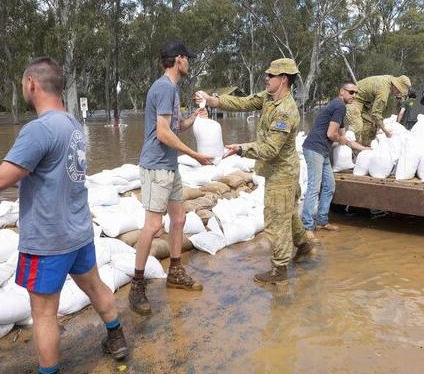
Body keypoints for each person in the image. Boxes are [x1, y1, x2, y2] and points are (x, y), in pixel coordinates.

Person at [0, 57, 127, 374]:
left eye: (23, 84)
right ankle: (116, 338)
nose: (23, 88)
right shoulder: (71, 125)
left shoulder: (39, 129)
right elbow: (44, 171)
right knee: (95, 287)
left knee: (44, 313)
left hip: (47, 240)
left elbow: (0, 179)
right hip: (77, 232)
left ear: (32, 83)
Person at [196, 58, 316, 285]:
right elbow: (243, 103)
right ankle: (304, 244)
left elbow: (270, 149)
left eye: (271, 76)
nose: (266, 78)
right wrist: (212, 101)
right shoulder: (268, 98)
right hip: (277, 170)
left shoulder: (286, 111)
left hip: (283, 172)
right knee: (287, 212)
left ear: (283, 79)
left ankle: (279, 271)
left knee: (275, 219)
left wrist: (241, 149)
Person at [129, 40, 213, 315]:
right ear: (178, 59)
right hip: (156, 166)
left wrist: (194, 116)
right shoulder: (164, 88)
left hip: (169, 165)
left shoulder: (172, 90)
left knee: (178, 219)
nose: (189, 62)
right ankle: (137, 285)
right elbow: (163, 133)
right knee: (153, 226)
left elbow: (175, 126)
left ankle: (175, 272)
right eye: (187, 58)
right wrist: (195, 155)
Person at [301, 83, 369, 237]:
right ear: (342, 91)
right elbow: (332, 134)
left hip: (322, 150)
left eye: (356, 93)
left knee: (329, 186)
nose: (354, 96)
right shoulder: (339, 106)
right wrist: (342, 140)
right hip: (314, 149)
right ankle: (307, 228)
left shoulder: (339, 107)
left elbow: (344, 138)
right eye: (351, 92)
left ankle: (322, 221)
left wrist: (365, 149)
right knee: (314, 187)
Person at [344, 74, 411, 146]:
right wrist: (385, 130)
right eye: (399, 91)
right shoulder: (383, 92)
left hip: (364, 102)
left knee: (370, 125)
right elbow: (376, 114)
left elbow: (375, 113)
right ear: (395, 86)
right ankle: (354, 151)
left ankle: (365, 147)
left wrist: (378, 124)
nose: (398, 94)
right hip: (353, 98)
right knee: (357, 126)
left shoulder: (389, 79)